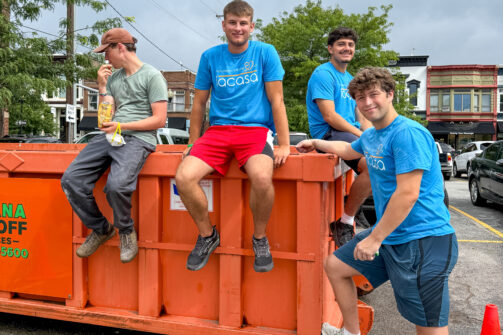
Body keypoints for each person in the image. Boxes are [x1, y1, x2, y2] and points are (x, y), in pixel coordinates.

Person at [297, 67, 457, 335]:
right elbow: (348, 149)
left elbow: (408, 193)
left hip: (424, 239)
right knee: (336, 266)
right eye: (360, 98)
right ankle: (351, 331)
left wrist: (374, 239)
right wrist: (316, 142)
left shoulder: (407, 133)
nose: (368, 102)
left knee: (428, 325)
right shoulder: (372, 136)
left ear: (390, 95)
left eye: (374, 95)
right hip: (393, 234)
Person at [175, 0, 290, 273]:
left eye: (243, 24)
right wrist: (192, 142)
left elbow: (277, 100)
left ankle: (260, 238)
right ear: (224, 25)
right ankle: (207, 235)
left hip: (254, 130)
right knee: (183, 177)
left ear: (251, 26)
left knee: (262, 177)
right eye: (232, 23)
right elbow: (199, 104)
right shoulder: (210, 57)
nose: (238, 28)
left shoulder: (265, 52)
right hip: (218, 132)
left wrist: (284, 143)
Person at [61, 28, 168, 263]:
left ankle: (126, 230)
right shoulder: (116, 78)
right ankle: (101, 228)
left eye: (106, 52)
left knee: (117, 186)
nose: (105, 58)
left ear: (120, 47)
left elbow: (159, 120)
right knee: (71, 180)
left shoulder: (152, 76)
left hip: (139, 138)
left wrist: (123, 125)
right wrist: (102, 87)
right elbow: (105, 117)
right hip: (111, 135)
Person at [306, 27, 372, 248]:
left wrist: (372, 135)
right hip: (329, 133)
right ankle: (345, 221)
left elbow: (361, 115)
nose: (347, 48)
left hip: (348, 132)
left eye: (351, 45)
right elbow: (330, 116)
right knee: (372, 165)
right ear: (330, 49)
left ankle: (358, 209)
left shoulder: (351, 79)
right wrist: (361, 135)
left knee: (384, 160)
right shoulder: (323, 74)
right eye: (341, 44)